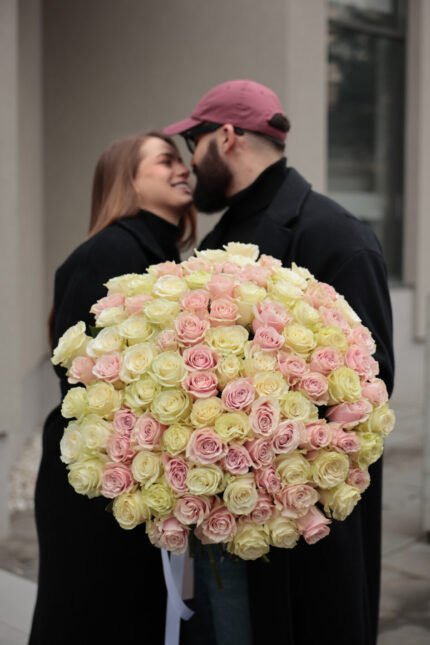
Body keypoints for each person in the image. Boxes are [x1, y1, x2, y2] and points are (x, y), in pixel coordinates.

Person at [164, 79, 395, 645]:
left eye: (194, 143)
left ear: (226, 136)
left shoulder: (336, 236)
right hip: (225, 524)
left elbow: (372, 388)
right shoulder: (224, 236)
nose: (190, 162)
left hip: (300, 533)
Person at [29, 132, 196, 645]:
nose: (183, 168)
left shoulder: (160, 253)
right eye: (165, 160)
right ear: (129, 180)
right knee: (93, 618)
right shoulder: (109, 251)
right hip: (94, 482)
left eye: (181, 159)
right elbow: (81, 372)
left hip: (128, 476)